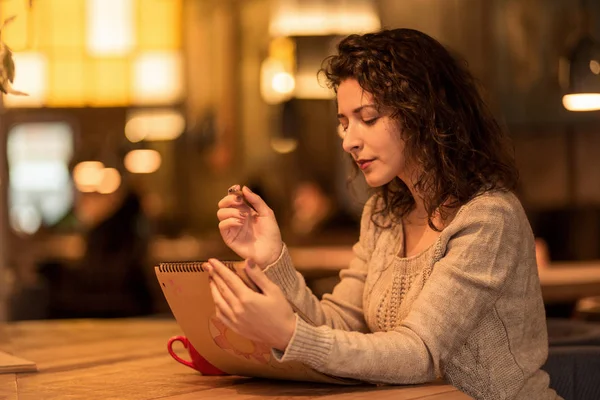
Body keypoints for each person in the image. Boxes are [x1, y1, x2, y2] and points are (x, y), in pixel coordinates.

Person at [207, 29, 559, 399]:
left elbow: (419, 353)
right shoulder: (383, 214)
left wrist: (289, 335)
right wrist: (271, 258)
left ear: (424, 114)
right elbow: (340, 325)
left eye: (368, 118)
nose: (348, 140)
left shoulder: (488, 218)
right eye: (344, 123)